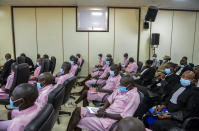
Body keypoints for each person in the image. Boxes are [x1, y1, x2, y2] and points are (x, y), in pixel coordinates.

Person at [66, 75, 140, 131]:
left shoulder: (134, 96)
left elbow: (125, 116)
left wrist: (105, 113)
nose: (119, 86)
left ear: (129, 85)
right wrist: (103, 109)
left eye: (121, 85)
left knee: (77, 119)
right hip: (104, 106)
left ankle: (77, 102)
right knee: (78, 109)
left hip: (108, 111)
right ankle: (76, 103)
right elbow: (110, 97)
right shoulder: (118, 84)